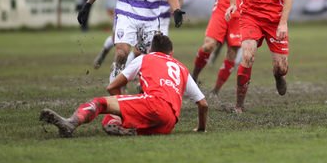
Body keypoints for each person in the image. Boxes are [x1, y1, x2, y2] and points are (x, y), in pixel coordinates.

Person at [40, 33, 208, 137]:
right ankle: (121, 128)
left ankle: (71, 123)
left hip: (153, 103)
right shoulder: (181, 67)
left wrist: (119, 102)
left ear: (151, 50)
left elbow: (112, 86)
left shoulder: (144, 58)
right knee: (110, 119)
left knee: (100, 103)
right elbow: (203, 104)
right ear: (171, 53)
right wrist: (200, 129)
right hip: (169, 122)